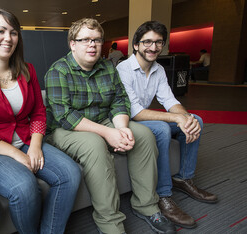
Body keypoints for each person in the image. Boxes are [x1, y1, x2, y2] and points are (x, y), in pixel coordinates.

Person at [44, 18, 176, 234]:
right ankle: (110, 223)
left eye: (97, 40)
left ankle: (146, 206)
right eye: (85, 39)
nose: (92, 45)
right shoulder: (58, 71)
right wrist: (107, 133)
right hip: (64, 129)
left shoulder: (107, 67)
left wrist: (122, 128)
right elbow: (64, 115)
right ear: (72, 44)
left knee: (143, 134)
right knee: (94, 144)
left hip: (102, 119)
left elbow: (119, 100)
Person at [0, 9, 81, 234]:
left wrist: (34, 146)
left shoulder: (28, 71)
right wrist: (18, 155)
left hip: (25, 140)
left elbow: (39, 113)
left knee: (70, 174)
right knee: (24, 187)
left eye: (13, 33)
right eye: (1, 31)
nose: (8, 38)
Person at [117, 21, 218, 230]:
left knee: (196, 119)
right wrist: (176, 119)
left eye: (158, 42)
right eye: (147, 42)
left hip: (143, 117)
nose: (153, 47)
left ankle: (184, 178)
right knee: (163, 128)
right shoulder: (123, 69)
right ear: (136, 45)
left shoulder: (159, 69)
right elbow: (135, 111)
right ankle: (163, 195)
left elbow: (170, 101)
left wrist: (186, 118)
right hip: (126, 120)